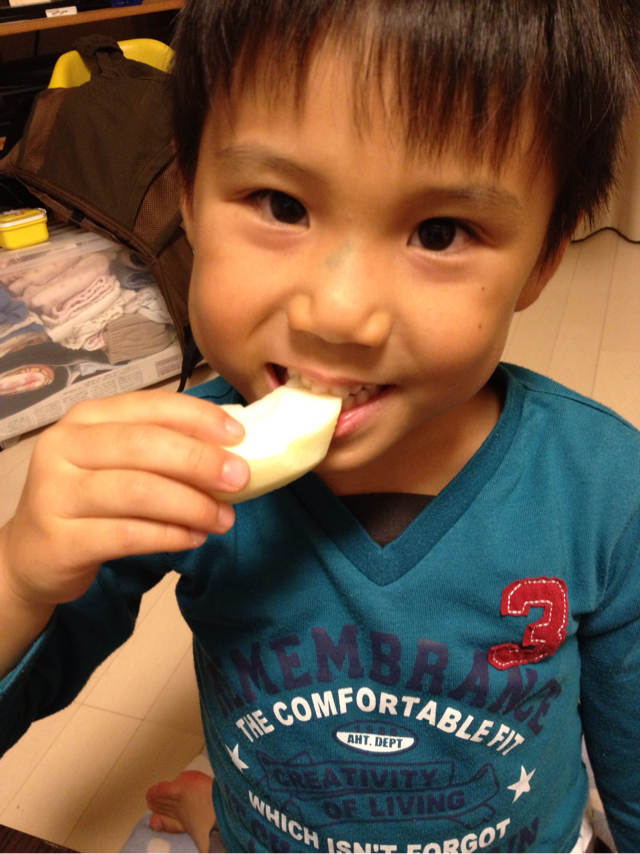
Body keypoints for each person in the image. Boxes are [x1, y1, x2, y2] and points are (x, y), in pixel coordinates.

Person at [1, 0, 639, 851]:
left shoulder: (603, 488)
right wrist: (20, 576)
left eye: (440, 232)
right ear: (188, 196)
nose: (338, 312)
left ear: (541, 260)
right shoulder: (174, 463)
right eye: (281, 205)